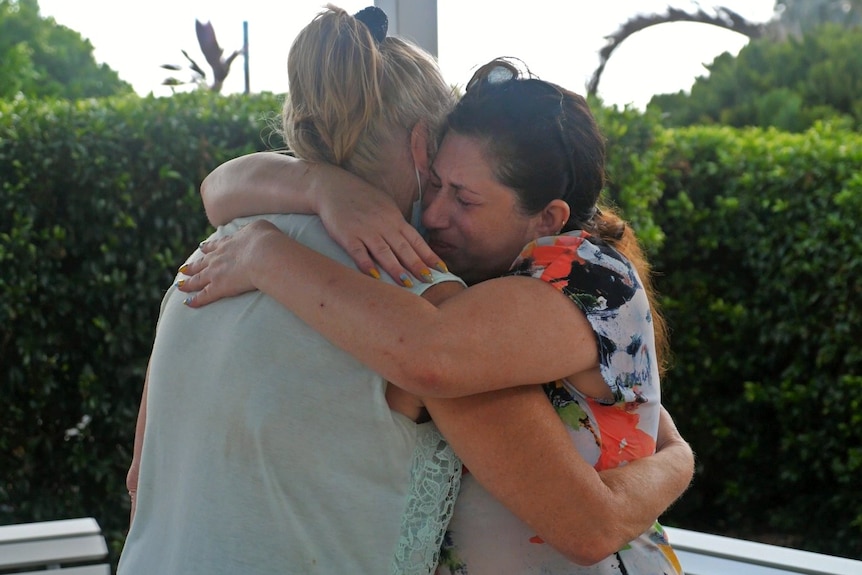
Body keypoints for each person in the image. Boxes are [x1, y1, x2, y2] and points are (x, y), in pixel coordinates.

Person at [122, 6, 692, 574]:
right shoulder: (409, 294)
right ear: (424, 147)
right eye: (442, 181)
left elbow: (139, 479)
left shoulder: (207, 261)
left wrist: (272, 235)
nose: (441, 213)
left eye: (465, 196)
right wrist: (679, 460)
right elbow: (583, 515)